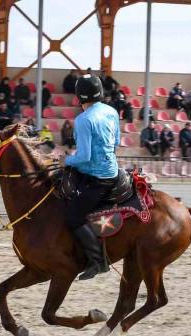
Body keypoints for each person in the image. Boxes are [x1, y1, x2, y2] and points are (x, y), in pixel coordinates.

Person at [63, 74, 120, 280]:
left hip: (98, 179)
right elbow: (115, 144)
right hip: (113, 171)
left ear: (79, 97)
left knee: (73, 217)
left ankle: (98, 261)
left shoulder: (83, 120)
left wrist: (65, 160)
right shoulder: (112, 111)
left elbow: (84, 156)